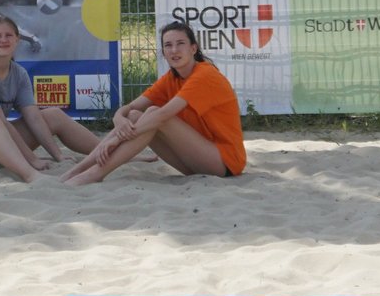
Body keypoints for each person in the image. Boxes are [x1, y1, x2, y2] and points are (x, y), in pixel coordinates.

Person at [63, 21, 244, 185]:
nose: (174, 50)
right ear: (163, 52)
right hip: (195, 161)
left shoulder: (205, 75)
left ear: (193, 48)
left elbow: (163, 115)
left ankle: (96, 173)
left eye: (180, 43)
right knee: (134, 116)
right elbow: (131, 108)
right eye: (168, 45)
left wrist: (117, 139)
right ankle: (77, 170)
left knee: (155, 114)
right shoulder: (172, 78)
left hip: (224, 163)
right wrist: (118, 118)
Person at [0, 14, 97, 183]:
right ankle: (31, 176)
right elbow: (0, 122)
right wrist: (32, 160)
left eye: (8, 35)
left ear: (17, 40)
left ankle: (107, 150)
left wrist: (57, 155)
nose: (3, 40)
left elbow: (33, 117)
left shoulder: (19, 73)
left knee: (53, 115)